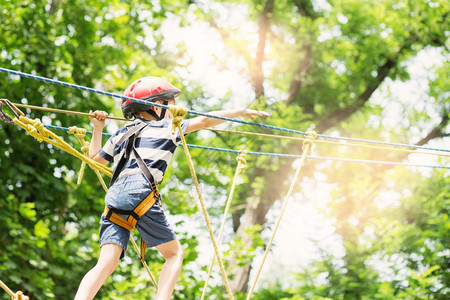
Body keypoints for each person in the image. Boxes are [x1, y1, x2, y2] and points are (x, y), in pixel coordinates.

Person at [74, 76, 270, 300]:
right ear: (155, 105)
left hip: (115, 198)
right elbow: (205, 121)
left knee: (106, 262)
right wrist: (240, 112)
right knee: (174, 254)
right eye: (170, 102)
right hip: (141, 194)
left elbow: (94, 160)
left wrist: (97, 128)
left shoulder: (119, 134)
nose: (174, 107)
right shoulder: (168, 127)